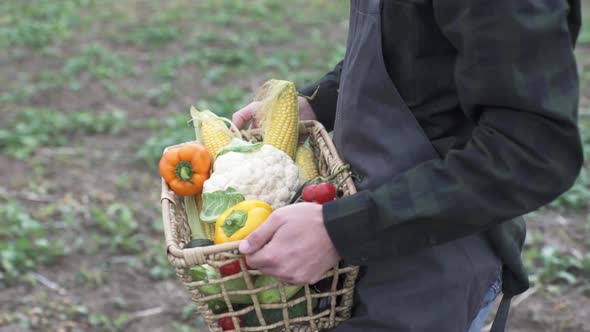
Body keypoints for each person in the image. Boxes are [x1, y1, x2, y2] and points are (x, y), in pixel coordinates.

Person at [232, 1, 583, 331]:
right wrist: (317, 103)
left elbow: (533, 152)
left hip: (431, 268)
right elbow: (408, 48)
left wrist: (344, 231)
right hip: (362, 228)